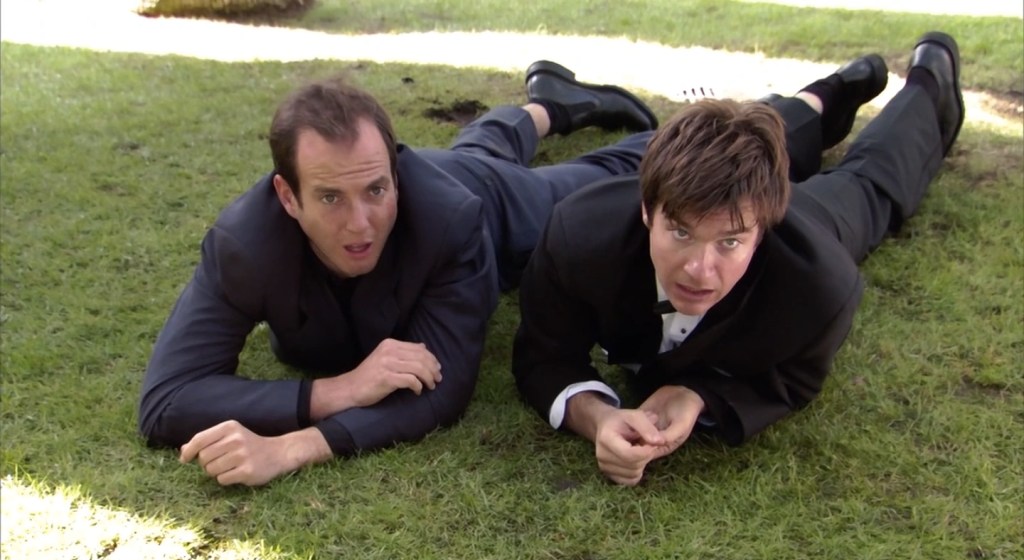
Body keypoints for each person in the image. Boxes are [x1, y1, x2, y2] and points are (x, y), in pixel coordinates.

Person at [139, 61, 659, 486]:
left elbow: (445, 389)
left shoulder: (449, 216)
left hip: (491, 202)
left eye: (376, 190)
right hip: (450, 173)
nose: (359, 224)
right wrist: (336, 391)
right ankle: (550, 103)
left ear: (395, 172)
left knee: (592, 183)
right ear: (287, 197)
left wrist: (294, 447)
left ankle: (684, 127)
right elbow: (167, 400)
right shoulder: (244, 246)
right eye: (329, 197)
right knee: (476, 152)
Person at [512, 32, 964, 486]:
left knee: (870, 182)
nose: (699, 270)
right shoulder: (580, 236)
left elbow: (794, 380)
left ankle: (929, 86)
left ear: (764, 225)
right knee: (748, 136)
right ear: (647, 209)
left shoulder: (817, 280)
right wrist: (597, 419)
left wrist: (699, 396)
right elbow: (544, 354)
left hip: (811, 221)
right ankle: (828, 96)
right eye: (681, 232)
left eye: (729, 242)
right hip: (701, 198)